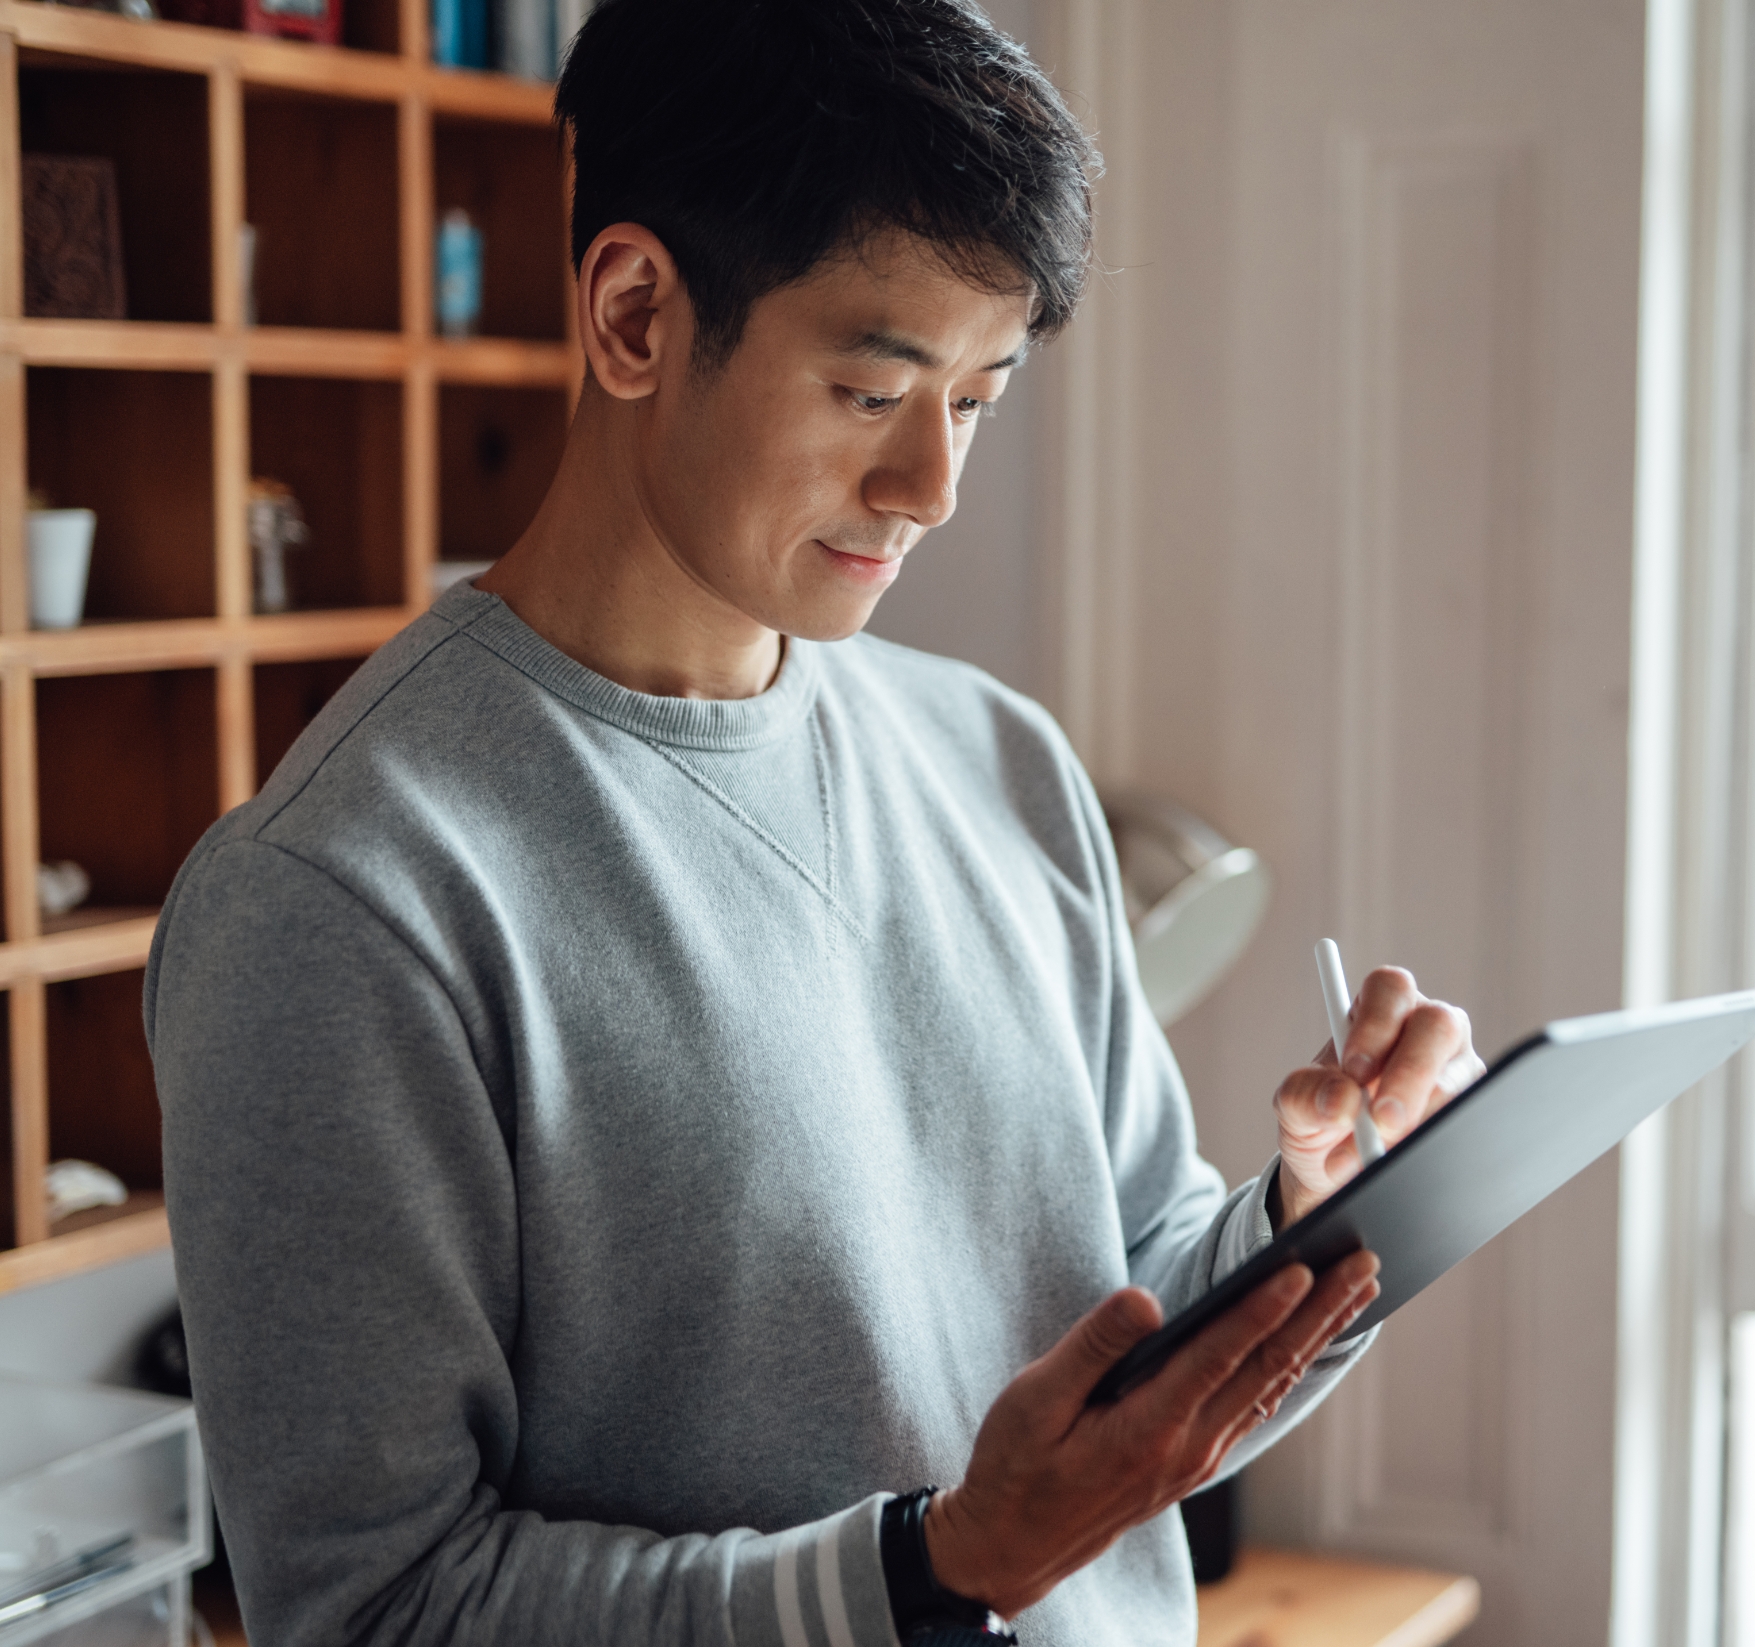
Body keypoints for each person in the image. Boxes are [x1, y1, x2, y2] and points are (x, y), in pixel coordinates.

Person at [146, 1, 1483, 1643]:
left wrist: (1321, 1220)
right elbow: (380, 1611)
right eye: (872, 391)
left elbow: (1125, 1351)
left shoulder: (999, 759)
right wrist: (933, 1571)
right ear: (635, 314)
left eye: (979, 401)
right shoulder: (342, 898)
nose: (932, 484)